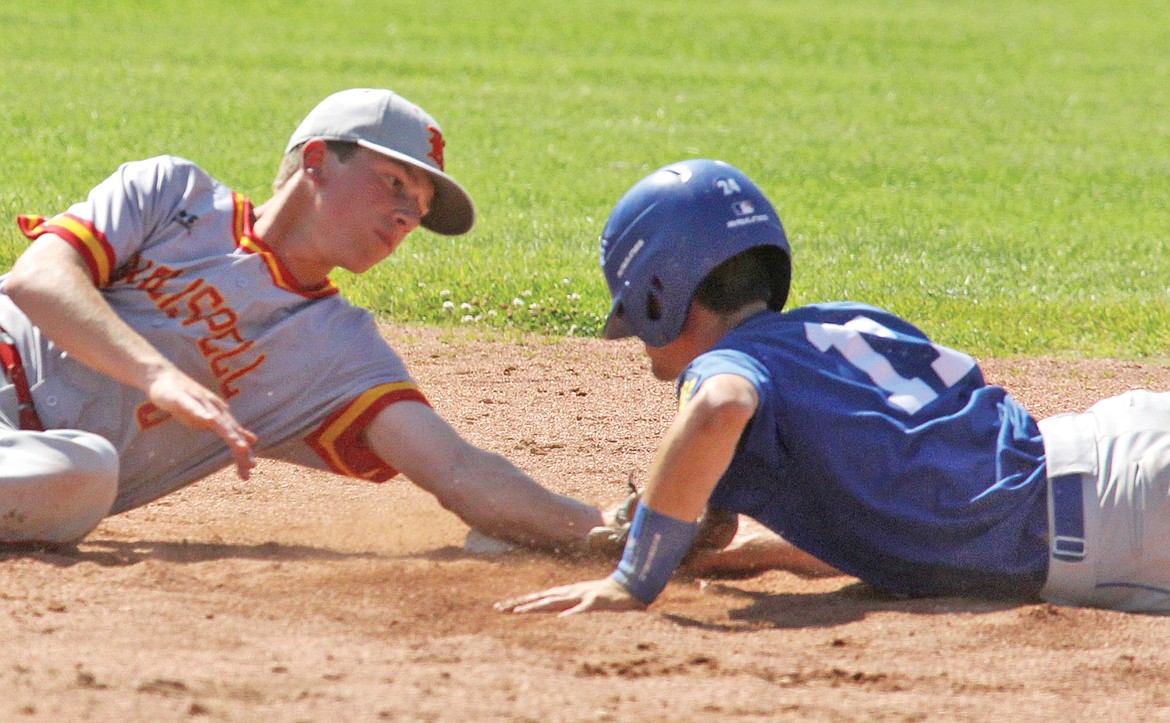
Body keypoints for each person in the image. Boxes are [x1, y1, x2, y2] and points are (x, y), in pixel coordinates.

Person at [498, 158, 1170, 616]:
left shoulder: (727, 371)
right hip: (1118, 463)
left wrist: (634, 576)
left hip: (1120, 521)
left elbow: (720, 407)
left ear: (657, 295)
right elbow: (905, 517)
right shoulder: (832, 335)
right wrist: (739, 556)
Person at [0, 87, 604, 549]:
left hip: (37, 460)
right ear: (316, 159)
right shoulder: (169, 192)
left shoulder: (341, 355)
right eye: (394, 183)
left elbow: (458, 469)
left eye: (419, 210)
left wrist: (613, 534)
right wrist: (158, 375)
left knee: (81, 475)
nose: (405, 217)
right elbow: (37, 279)